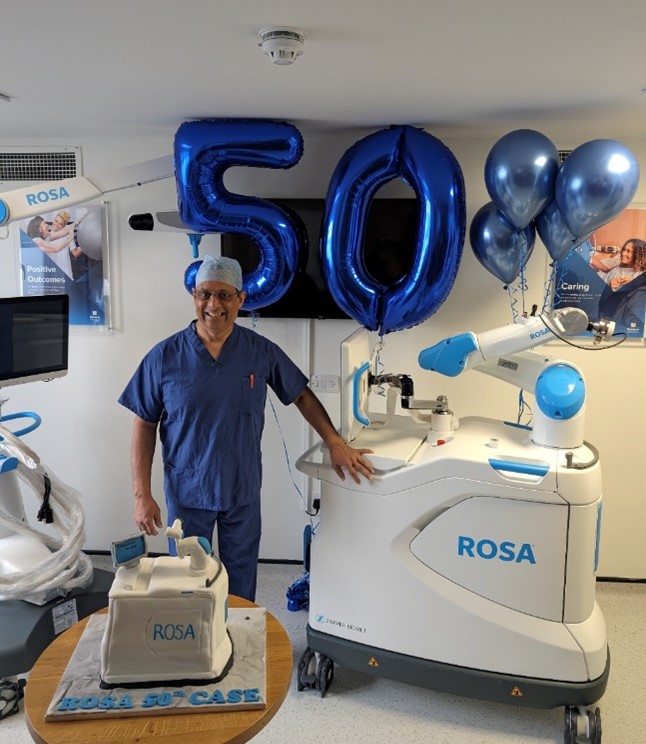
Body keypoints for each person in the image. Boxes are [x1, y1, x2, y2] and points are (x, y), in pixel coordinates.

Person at [118, 255, 374, 601]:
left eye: (224, 295)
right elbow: (144, 424)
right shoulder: (164, 357)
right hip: (188, 488)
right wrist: (141, 495)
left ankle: (238, 633)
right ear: (194, 296)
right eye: (205, 294)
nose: (213, 304)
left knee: (241, 573)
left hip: (242, 486)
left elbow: (301, 395)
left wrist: (335, 442)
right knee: (190, 579)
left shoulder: (259, 352)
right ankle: (196, 644)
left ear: (240, 300)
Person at [598, 239, 646, 334]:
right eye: (624, 250)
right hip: (609, 316)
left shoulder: (643, 275)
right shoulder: (614, 271)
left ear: (638, 254)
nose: (623, 253)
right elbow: (599, 298)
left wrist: (634, 284)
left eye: (628, 251)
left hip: (629, 321)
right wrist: (609, 287)